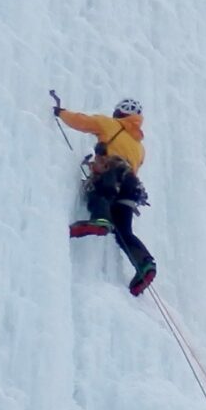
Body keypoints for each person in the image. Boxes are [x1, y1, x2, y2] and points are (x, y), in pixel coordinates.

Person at [54, 95, 157, 295]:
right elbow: (133, 170)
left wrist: (60, 112)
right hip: (132, 187)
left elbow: (82, 122)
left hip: (113, 172)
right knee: (123, 231)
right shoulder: (139, 147)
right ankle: (145, 263)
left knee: (100, 193)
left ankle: (100, 220)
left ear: (119, 113)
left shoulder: (110, 124)